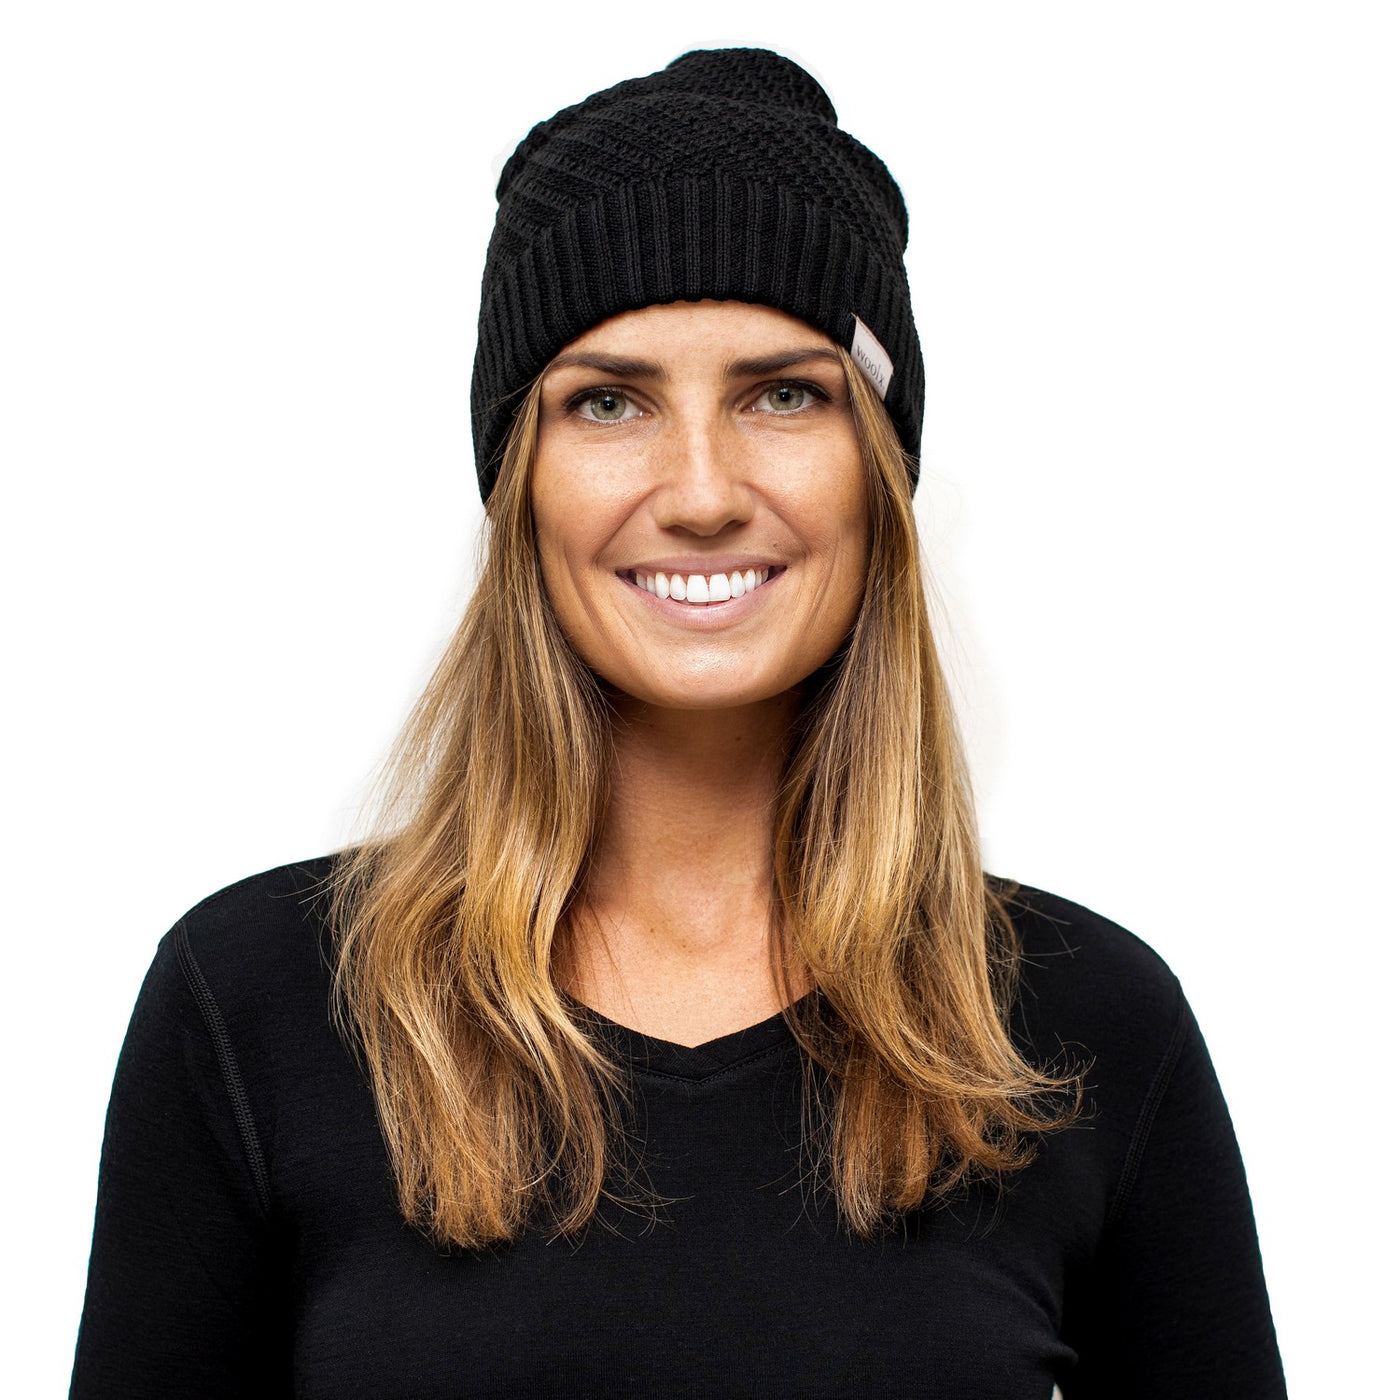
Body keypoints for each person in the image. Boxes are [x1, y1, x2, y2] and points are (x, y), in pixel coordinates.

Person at [69, 48, 1286, 1399]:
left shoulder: (1086, 1027)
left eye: (784, 393)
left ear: (877, 474)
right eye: (609, 401)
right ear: (522, 484)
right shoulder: (258, 1006)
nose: (702, 491)